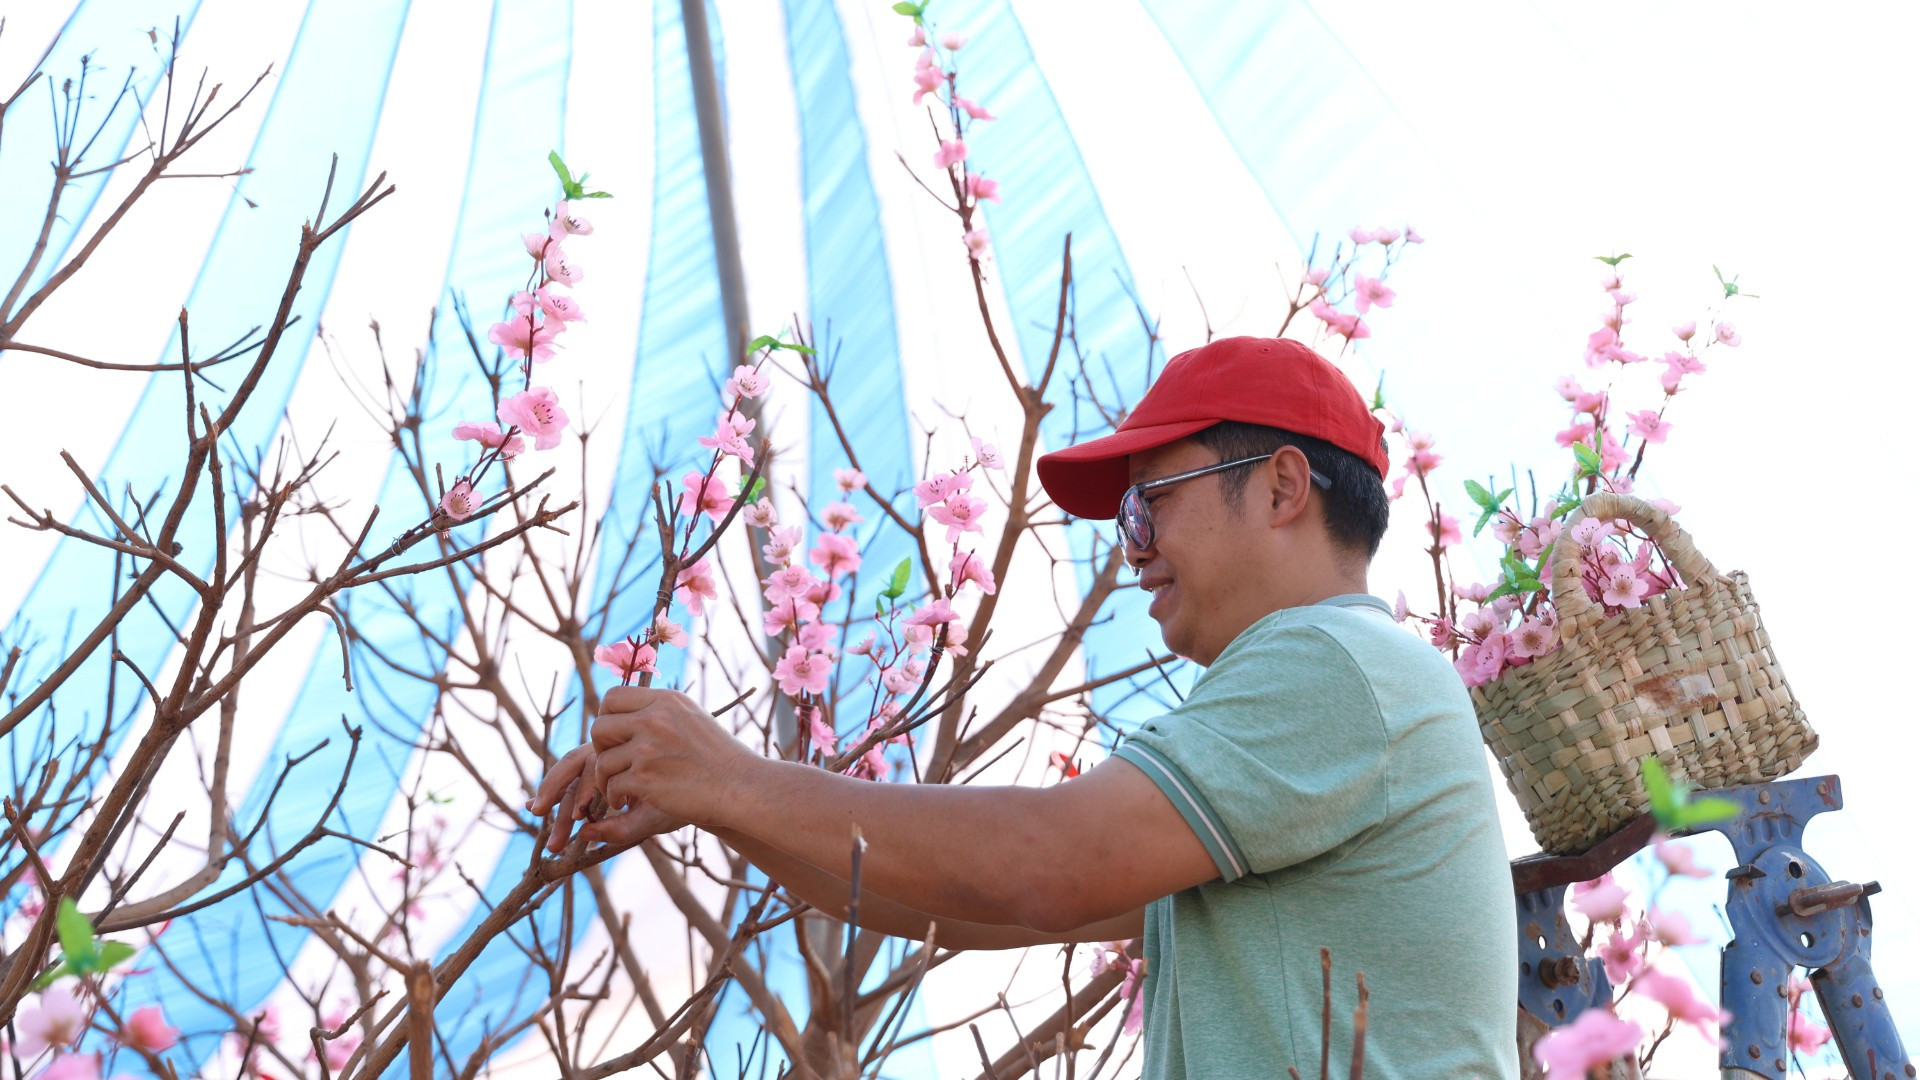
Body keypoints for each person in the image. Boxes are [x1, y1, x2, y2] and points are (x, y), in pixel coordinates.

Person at [530, 335, 1519, 1078]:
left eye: (1149, 502)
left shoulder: (1332, 662)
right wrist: (714, 799)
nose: (1131, 546)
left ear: (1281, 488)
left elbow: (1047, 865)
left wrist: (733, 778)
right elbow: (949, 907)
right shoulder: (1343, 689)